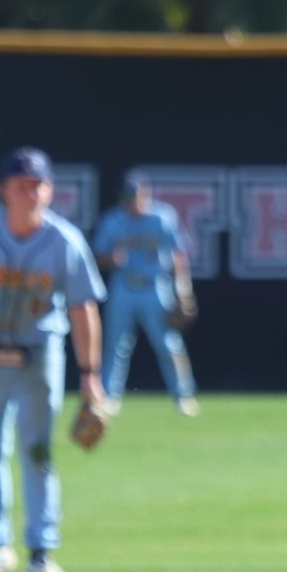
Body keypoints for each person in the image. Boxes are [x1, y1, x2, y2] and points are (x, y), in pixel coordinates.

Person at [0, 147, 107, 572]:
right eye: (21, 185)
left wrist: (90, 375)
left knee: (39, 452)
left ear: (50, 191)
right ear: (4, 190)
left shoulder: (64, 241)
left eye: (38, 185)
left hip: (38, 354)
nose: (30, 193)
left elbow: (83, 309)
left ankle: (41, 550)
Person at [91, 174, 200, 416]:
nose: (133, 202)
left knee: (169, 344)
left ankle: (184, 395)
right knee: (116, 346)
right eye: (128, 197)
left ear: (146, 195)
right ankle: (109, 396)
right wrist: (110, 259)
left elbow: (178, 255)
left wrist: (183, 291)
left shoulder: (162, 217)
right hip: (124, 286)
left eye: (137, 196)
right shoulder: (114, 220)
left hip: (155, 287)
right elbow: (97, 256)